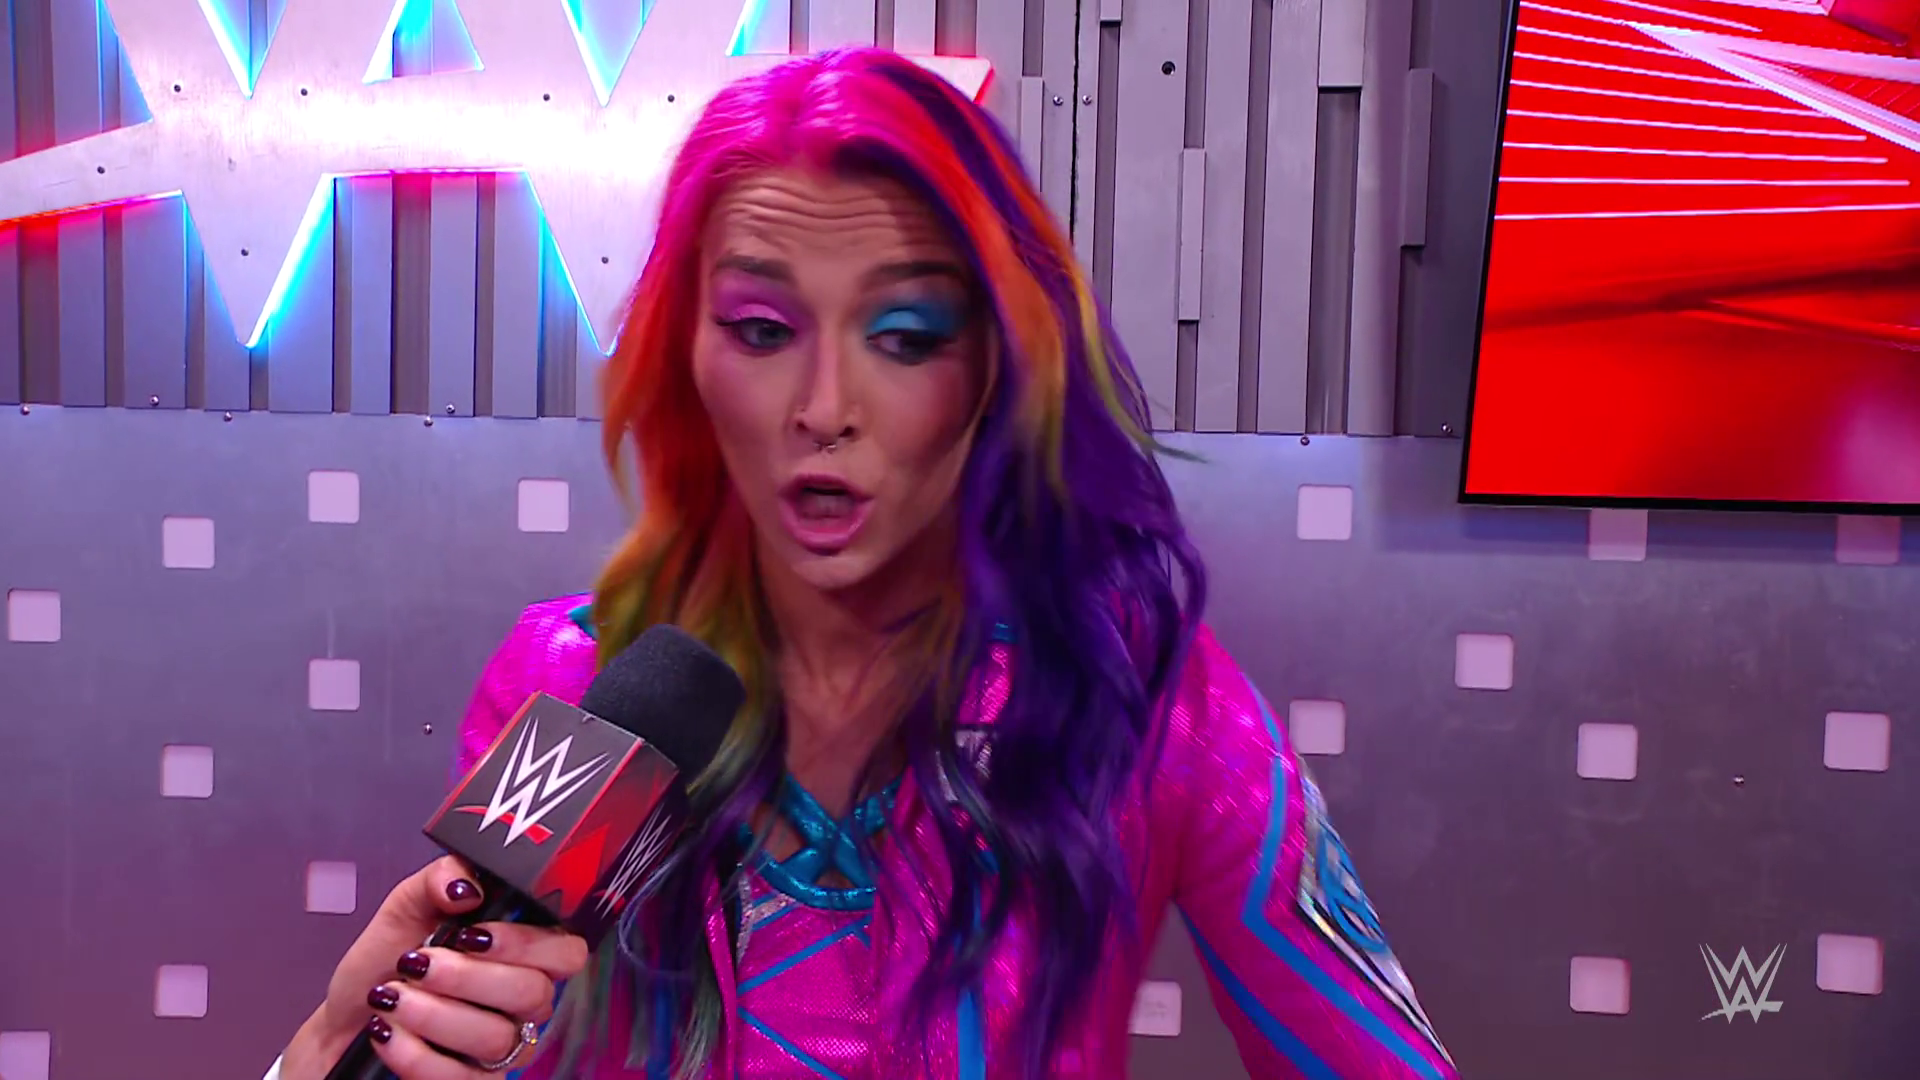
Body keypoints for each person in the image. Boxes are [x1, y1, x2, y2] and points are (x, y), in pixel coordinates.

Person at [271, 46, 1458, 1080]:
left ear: (997, 366)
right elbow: (481, 1025)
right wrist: (345, 1050)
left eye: (904, 336)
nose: (824, 406)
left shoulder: (1140, 700)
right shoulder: (576, 679)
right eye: (762, 330)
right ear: (688, 352)